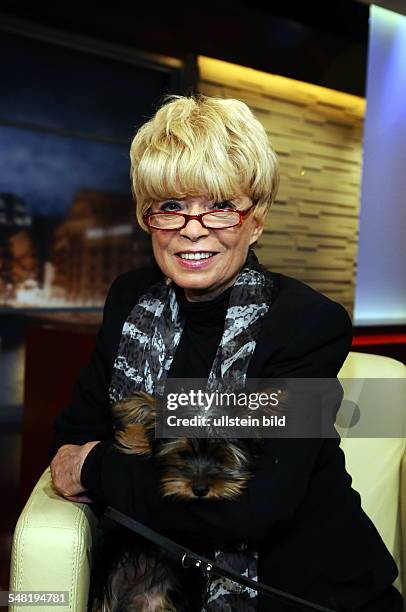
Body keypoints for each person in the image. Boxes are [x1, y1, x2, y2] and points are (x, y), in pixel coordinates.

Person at [50, 95, 402, 611]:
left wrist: (100, 464)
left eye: (220, 205)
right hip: (160, 583)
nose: (194, 228)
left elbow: (250, 505)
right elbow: (71, 437)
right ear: (148, 218)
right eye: (171, 206)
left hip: (306, 594)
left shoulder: (306, 324)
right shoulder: (129, 299)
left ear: (255, 219)